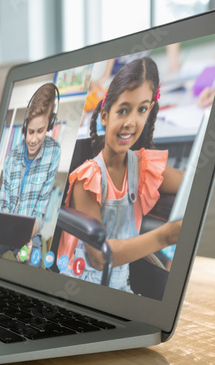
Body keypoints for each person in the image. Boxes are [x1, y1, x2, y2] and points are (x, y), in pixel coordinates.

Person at [58, 56, 184, 292]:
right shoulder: (89, 178)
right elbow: (98, 257)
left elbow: (191, 185)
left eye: (142, 110)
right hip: (83, 291)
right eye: (123, 110)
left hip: (121, 289)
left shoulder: (144, 168)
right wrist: (164, 237)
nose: (131, 122)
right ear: (105, 115)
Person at [0, 83, 62, 261]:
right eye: (30, 132)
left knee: (32, 264)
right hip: (5, 232)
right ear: (24, 127)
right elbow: (2, 201)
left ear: (50, 125)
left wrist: (27, 237)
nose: (33, 139)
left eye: (40, 131)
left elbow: (41, 209)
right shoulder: (12, 156)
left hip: (30, 233)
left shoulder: (54, 152)